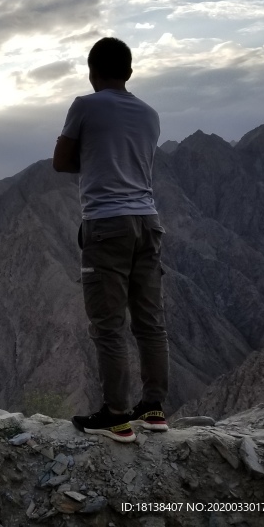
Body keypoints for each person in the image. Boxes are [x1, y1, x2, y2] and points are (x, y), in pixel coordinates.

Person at [52, 36, 169, 443]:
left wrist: (97, 155)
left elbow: (61, 161)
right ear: (130, 72)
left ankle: (117, 418)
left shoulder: (84, 106)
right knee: (150, 321)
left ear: (91, 71)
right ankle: (154, 409)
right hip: (148, 222)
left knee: (108, 325)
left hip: (107, 224)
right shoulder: (151, 114)